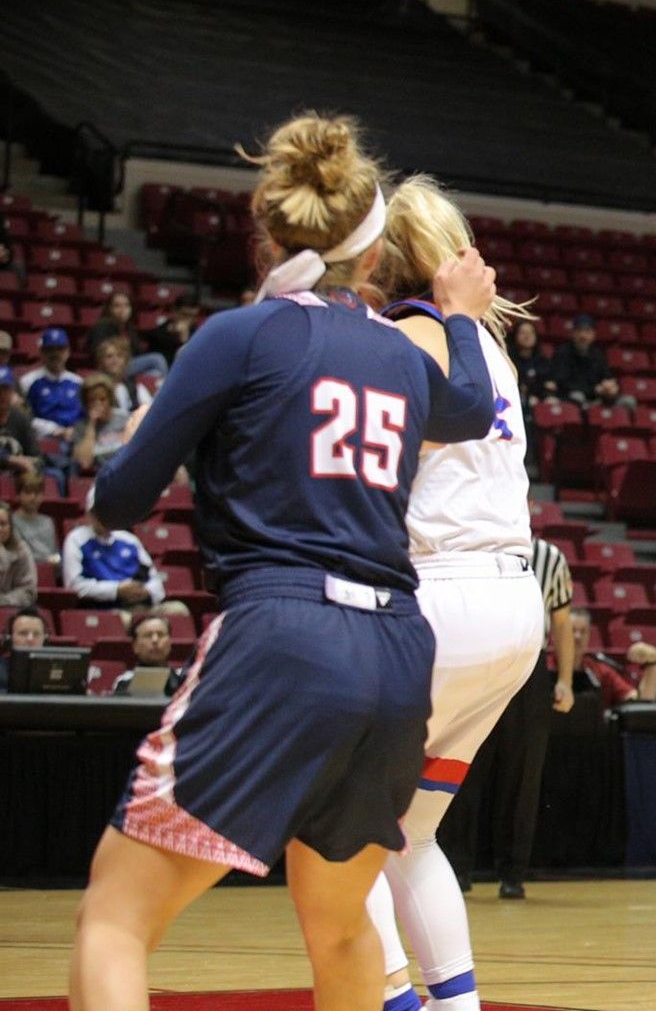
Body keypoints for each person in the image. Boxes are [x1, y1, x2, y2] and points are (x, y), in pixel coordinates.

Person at [67, 111, 500, 1010]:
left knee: (114, 918)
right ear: (373, 254)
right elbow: (465, 405)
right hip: (394, 654)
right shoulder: (399, 351)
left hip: (285, 634)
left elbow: (116, 501)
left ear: (267, 235)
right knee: (343, 929)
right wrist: (459, 318)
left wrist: (161, 422)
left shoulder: (240, 336)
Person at [352, 175, 547, 1011]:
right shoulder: (485, 346)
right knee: (411, 833)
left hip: (444, 596)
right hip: (513, 601)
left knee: (340, 830)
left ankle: (395, 1003)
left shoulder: (409, 332)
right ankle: (454, 1004)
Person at [441, 535, 576, 902]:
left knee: (523, 776)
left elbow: (562, 624)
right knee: (462, 768)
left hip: (530, 668)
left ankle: (512, 873)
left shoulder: (551, 557)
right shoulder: (473, 549)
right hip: (477, 661)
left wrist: (564, 679)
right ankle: (454, 869)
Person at [62, 511, 184, 624]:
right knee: (122, 620)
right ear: (89, 514)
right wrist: (117, 590)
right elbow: (75, 586)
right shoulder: (77, 538)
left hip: (144, 604)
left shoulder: (129, 539)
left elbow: (156, 581)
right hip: (109, 608)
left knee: (178, 610)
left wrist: (145, 591)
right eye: (99, 512)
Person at [20, 327, 84, 441]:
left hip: (74, 438)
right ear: (42, 352)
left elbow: (85, 416)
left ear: (68, 351)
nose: (55, 354)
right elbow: (23, 417)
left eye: (59, 349)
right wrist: (53, 430)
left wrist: (75, 430)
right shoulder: (28, 381)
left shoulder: (78, 382)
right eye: (50, 349)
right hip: (42, 439)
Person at [547, 315, 624, 407]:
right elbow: (562, 384)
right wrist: (593, 389)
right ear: (573, 333)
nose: (583, 336)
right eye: (579, 331)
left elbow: (607, 377)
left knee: (627, 401)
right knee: (578, 397)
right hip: (570, 399)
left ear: (593, 335)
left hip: (595, 399)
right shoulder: (562, 353)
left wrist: (610, 387)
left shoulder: (598, 355)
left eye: (587, 331)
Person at [109, 614, 187, 697]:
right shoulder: (124, 682)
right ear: (135, 646)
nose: (155, 640)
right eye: (148, 635)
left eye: (161, 635)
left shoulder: (184, 680)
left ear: (170, 643)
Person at [12, 469, 58, 564]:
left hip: (48, 573)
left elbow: (54, 554)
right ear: (18, 495)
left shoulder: (48, 521)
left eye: (37, 493)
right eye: (28, 492)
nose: (33, 497)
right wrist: (47, 560)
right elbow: (19, 556)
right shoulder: (12, 521)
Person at [0, 368, 38, 477]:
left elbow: (35, 455)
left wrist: (28, 463)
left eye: (5, 389)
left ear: (13, 392)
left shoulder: (21, 418)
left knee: (53, 474)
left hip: (19, 474)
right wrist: (12, 460)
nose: (2, 394)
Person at [0, 505, 36, 608]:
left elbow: (28, 590)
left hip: (14, 609)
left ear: (10, 527)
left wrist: (4, 601)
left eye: (3, 524)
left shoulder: (22, 550)